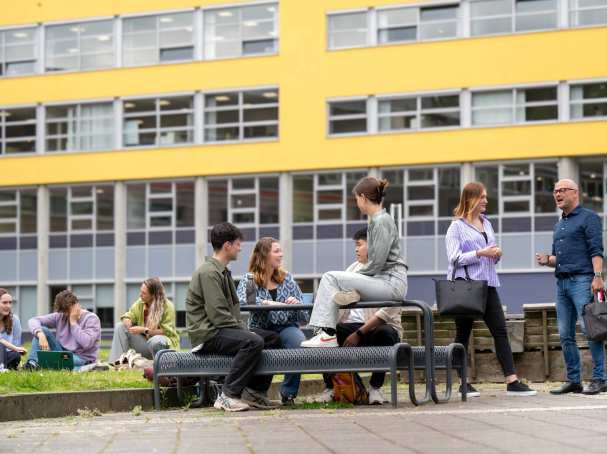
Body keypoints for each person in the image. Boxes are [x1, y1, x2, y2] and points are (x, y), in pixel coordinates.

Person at [446, 182, 536, 397]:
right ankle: (463, 383)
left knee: (501, 331)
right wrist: (481, 253)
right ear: (471, 199)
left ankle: (512, 381)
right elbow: (454, 259)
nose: (486, 200)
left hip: (489, 284)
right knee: (463, 335)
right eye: (483, 197)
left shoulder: (487, 223)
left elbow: (489, 257)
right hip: (466, 287)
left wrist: (495, 255)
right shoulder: (456, 227)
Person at [301, 176, 408, 349]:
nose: (357, 202)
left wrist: (354, 279)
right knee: (337, 282)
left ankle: (326, 334)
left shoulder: (381, 221)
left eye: (356, 199)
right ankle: (326, 333)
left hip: (390, 284)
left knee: (330, 277)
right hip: (388, 283)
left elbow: (376, 263)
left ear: (363, 197)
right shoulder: (379, 220)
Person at [186, 222, 280, 412]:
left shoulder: (221, 271)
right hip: (208, 334)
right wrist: (245, 331)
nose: (240, 247)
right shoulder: (209, 272)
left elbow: (226, 315)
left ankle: (254, 393)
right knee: (253, 341)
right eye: (237, 243)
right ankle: (227, 395)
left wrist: (244, 330)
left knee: (272, 338)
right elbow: (218, 315)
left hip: (220, 329)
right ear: (227, 245)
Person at [536, 178, 606, 395]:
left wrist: (598, 277)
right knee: (565, 334)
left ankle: (600, 378)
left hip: (583, 281)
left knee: (591, 330)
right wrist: (548, 260)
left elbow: (596, 250)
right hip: (562, 284)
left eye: (562, 190)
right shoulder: (559, 225)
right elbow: (560, 258)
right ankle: (574, 380)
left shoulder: (589, 218)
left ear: (575, 193)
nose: (558, 194)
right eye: (555, 191)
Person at [319, 228, 402, 405]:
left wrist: (359, 333)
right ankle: (332, 387)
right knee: (327, 333)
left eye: (359, 245)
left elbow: (386, 312)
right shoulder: (352, 269)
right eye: (355, 245)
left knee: (385, 333)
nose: (356, 249)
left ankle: (375, 389)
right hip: (352, 326)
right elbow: (339, 299)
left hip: (377, 329)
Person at [236, 237, 309, 405]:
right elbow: (242, 302)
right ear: (264, 255)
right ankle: (256, 391)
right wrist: (267, 303)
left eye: (281, 251)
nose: (281, 254)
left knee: (298, 343)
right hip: (260, 328)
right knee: (264, 342)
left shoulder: (287, 279)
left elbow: (304, 316)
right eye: (276, 251)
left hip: (286, 327)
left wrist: (297, 305)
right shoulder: (250, 279)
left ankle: (288, 394)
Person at [25, 290, 101, 370]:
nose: (65, 314)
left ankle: (79, 367)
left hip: (81, 358)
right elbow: (33, 320)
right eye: (63, 312)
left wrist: (73, 323)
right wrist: (40, 334)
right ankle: (32, 364)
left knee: (54, 363)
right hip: (62, 353)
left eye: (67, 311)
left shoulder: (91, 318)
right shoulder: (60, 315)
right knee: (42, 330)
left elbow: (86, 343)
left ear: (76, 304)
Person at [109, 277, 179, 363]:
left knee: (156, 340)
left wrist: (145, 330)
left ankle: (161, 365)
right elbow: (129, 315)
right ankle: (118, 362)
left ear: (153, 295)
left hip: (163, 348)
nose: (140, 295)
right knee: (120, 326)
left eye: (144, 293)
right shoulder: (141, 302)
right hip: (145, 345)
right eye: (140, 291)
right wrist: (127, 320)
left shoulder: (168, 306)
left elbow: (167, 331)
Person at [0, 289, 26, 370]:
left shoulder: (14, 319)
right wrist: (15, 348)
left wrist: (16, 349)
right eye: (4, 303)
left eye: (10, 302)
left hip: (7, 355)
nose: (8, 306)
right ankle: (2, 368)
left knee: (15, 356)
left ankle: (3, 366)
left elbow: (16, 345)